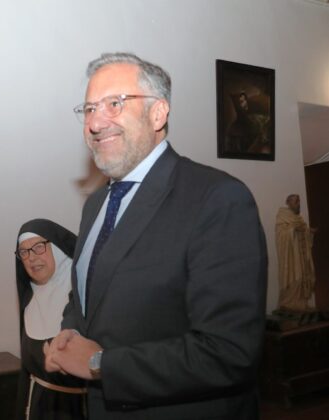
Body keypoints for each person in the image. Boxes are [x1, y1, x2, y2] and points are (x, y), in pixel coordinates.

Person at [44, 52, 268, 419]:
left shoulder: (217, 198)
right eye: (88, 109)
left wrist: (102, 364)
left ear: (158, 113)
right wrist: (70, 330)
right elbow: (91, 291)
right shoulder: (97, 203)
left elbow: (229, 352)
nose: (96, 122)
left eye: (114, 104)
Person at [15, 219, 86, 420]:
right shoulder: (30, 300)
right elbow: (27, 373)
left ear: (58, 248)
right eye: (24, 252)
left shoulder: (84, 296)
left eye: (39, 247)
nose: (31, 258)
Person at [276, 194, 316, 311]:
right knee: (295, 279)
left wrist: (309, 232)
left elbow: (303, 233)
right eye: (296, 202)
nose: (298, 204)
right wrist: (293, 230)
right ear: (288, 202)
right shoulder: (282, 216)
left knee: (303, 277)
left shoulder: (299, 219)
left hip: (301, 255)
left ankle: (301, 303)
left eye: (299, 202)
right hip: (291, 258)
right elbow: (280, 236)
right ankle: (289, 304)